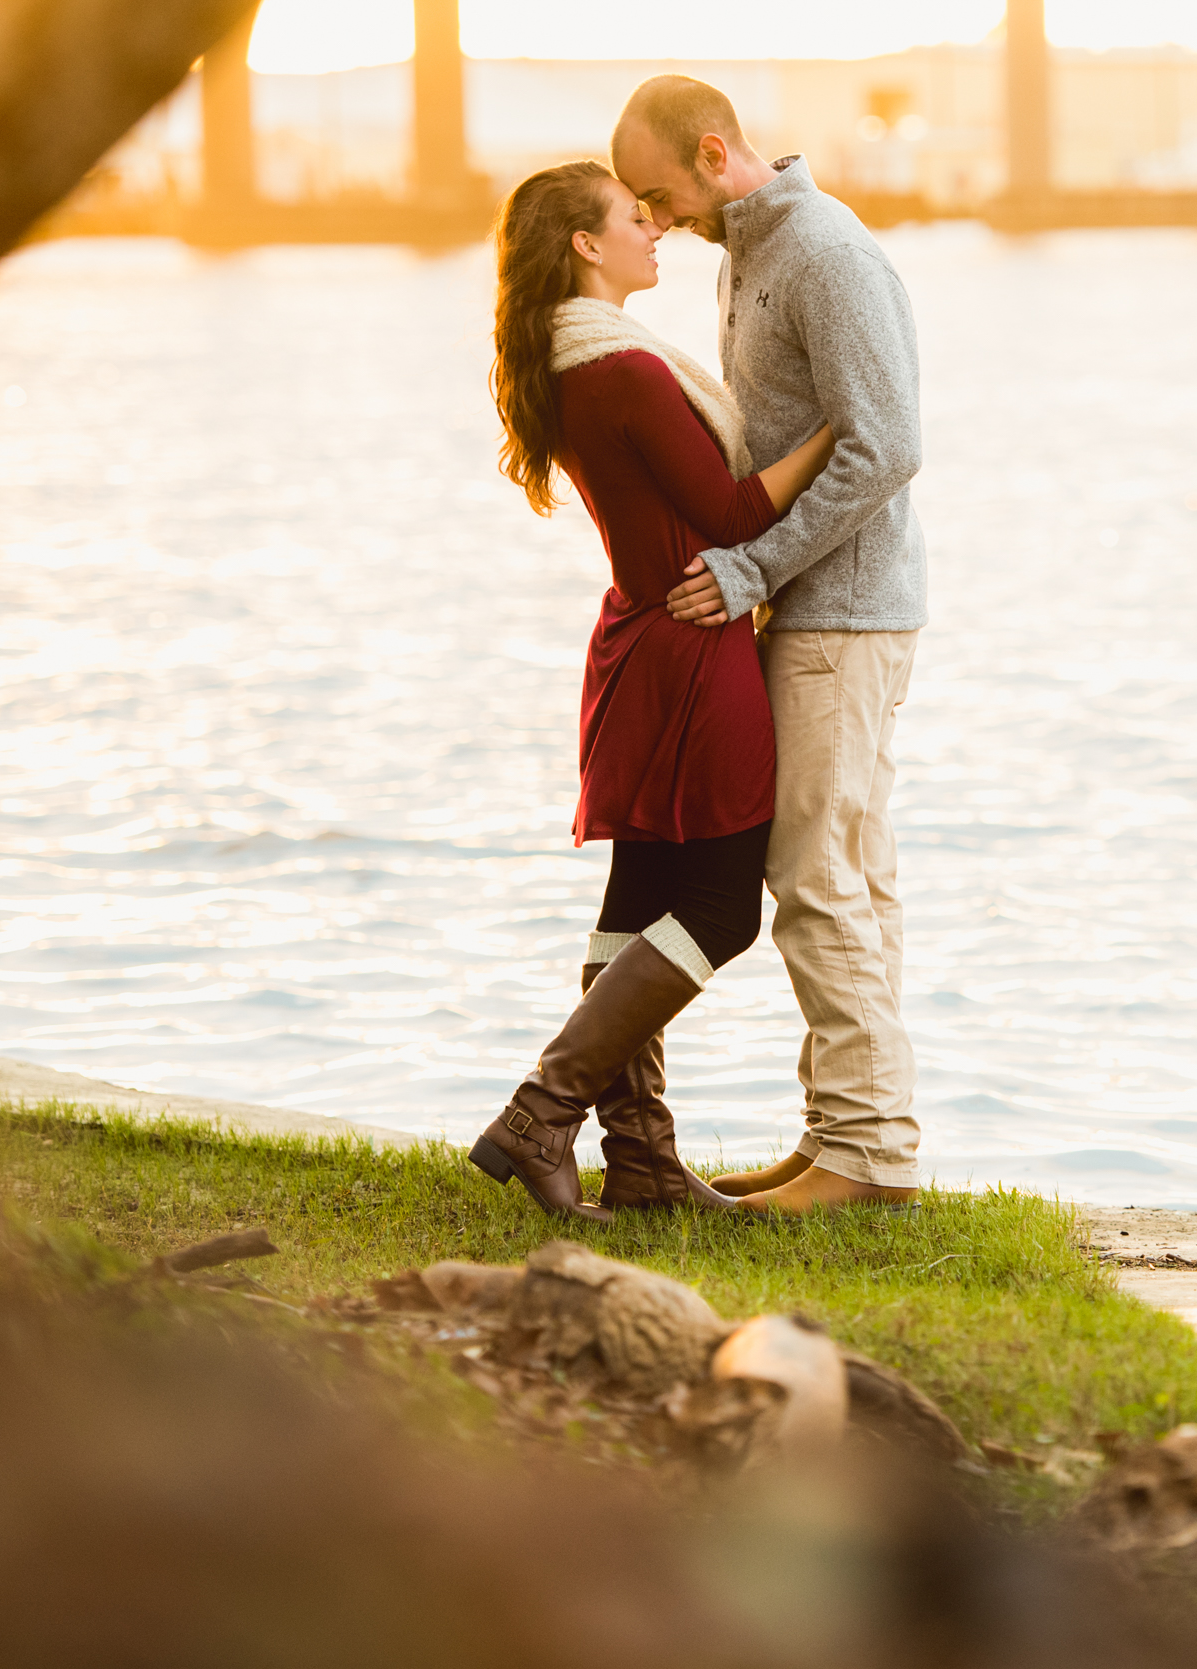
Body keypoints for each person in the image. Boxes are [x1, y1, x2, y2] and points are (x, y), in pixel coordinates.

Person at [470, 158, 836, 1220]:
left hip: (642, 639)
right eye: (635, 219)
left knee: (635, 907)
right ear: (585, 245)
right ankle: (545, 1105)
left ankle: (639, 1162)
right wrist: (839, 432)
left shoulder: (569, 361)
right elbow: (728, 518)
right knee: (720, 909)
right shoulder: (620, 370)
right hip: (691, 646)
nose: (655, 230)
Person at [612, 76, 928, 1216]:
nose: (657, 223)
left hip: (844, 610)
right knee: (847, 873)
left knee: (812, 875)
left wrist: (748, 570)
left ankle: (865, 1155)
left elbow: (887, 446)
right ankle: (844, 1136)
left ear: (712, 153)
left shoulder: (825, 253)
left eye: (661, 196)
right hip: (816, 606)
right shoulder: (750, 248)